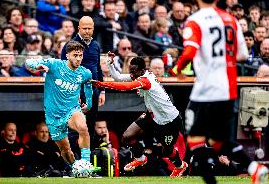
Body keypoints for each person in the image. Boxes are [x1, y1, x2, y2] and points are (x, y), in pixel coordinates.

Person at [174, 0, 268, 184]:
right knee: (218, 141)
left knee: (194, 139)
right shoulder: (230, 19)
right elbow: (242, 55)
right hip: (228, 90)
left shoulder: (194, 20)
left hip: (205, 90)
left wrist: (176, 69)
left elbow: (189, 52)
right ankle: (254, 168)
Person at [91, 55, 188, 177]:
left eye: (134, 71)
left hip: (170, 120)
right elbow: (118, 77)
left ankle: (180, 166)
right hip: (152, 115)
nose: (131, 74)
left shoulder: (146, 81)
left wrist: (102, 85)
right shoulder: (139, 75)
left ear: (142, 71)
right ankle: (140, 158)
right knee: (126, 137)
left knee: (167, 151)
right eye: (130, 71)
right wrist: (110, 64)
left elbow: (125, 87)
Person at [25, 40, 98, 175]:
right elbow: (28, 62)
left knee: (83, 127)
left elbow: (88, 87)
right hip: (53, 115)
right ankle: (78, 168)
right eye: (75, 55)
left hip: (72, 110)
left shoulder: (85, 73)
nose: (78, 58)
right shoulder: (54, 65)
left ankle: (86, 163)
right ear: (67, 55)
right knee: (66, 151)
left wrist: (89, 104)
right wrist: (38, 65)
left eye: (80, 55)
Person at [61, 16, 105, 150]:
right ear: (78, 28)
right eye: (84, 28)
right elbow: (63, 70)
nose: (86, 31)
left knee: (90, 127)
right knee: (75, 128)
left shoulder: (96, 46)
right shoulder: (70, 45)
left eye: (89, 28)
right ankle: (75, 164)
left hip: (93, 92)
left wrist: (102, 90)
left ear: (93, 29)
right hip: (75, 92)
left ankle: (87, 162)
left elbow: (98, 68)